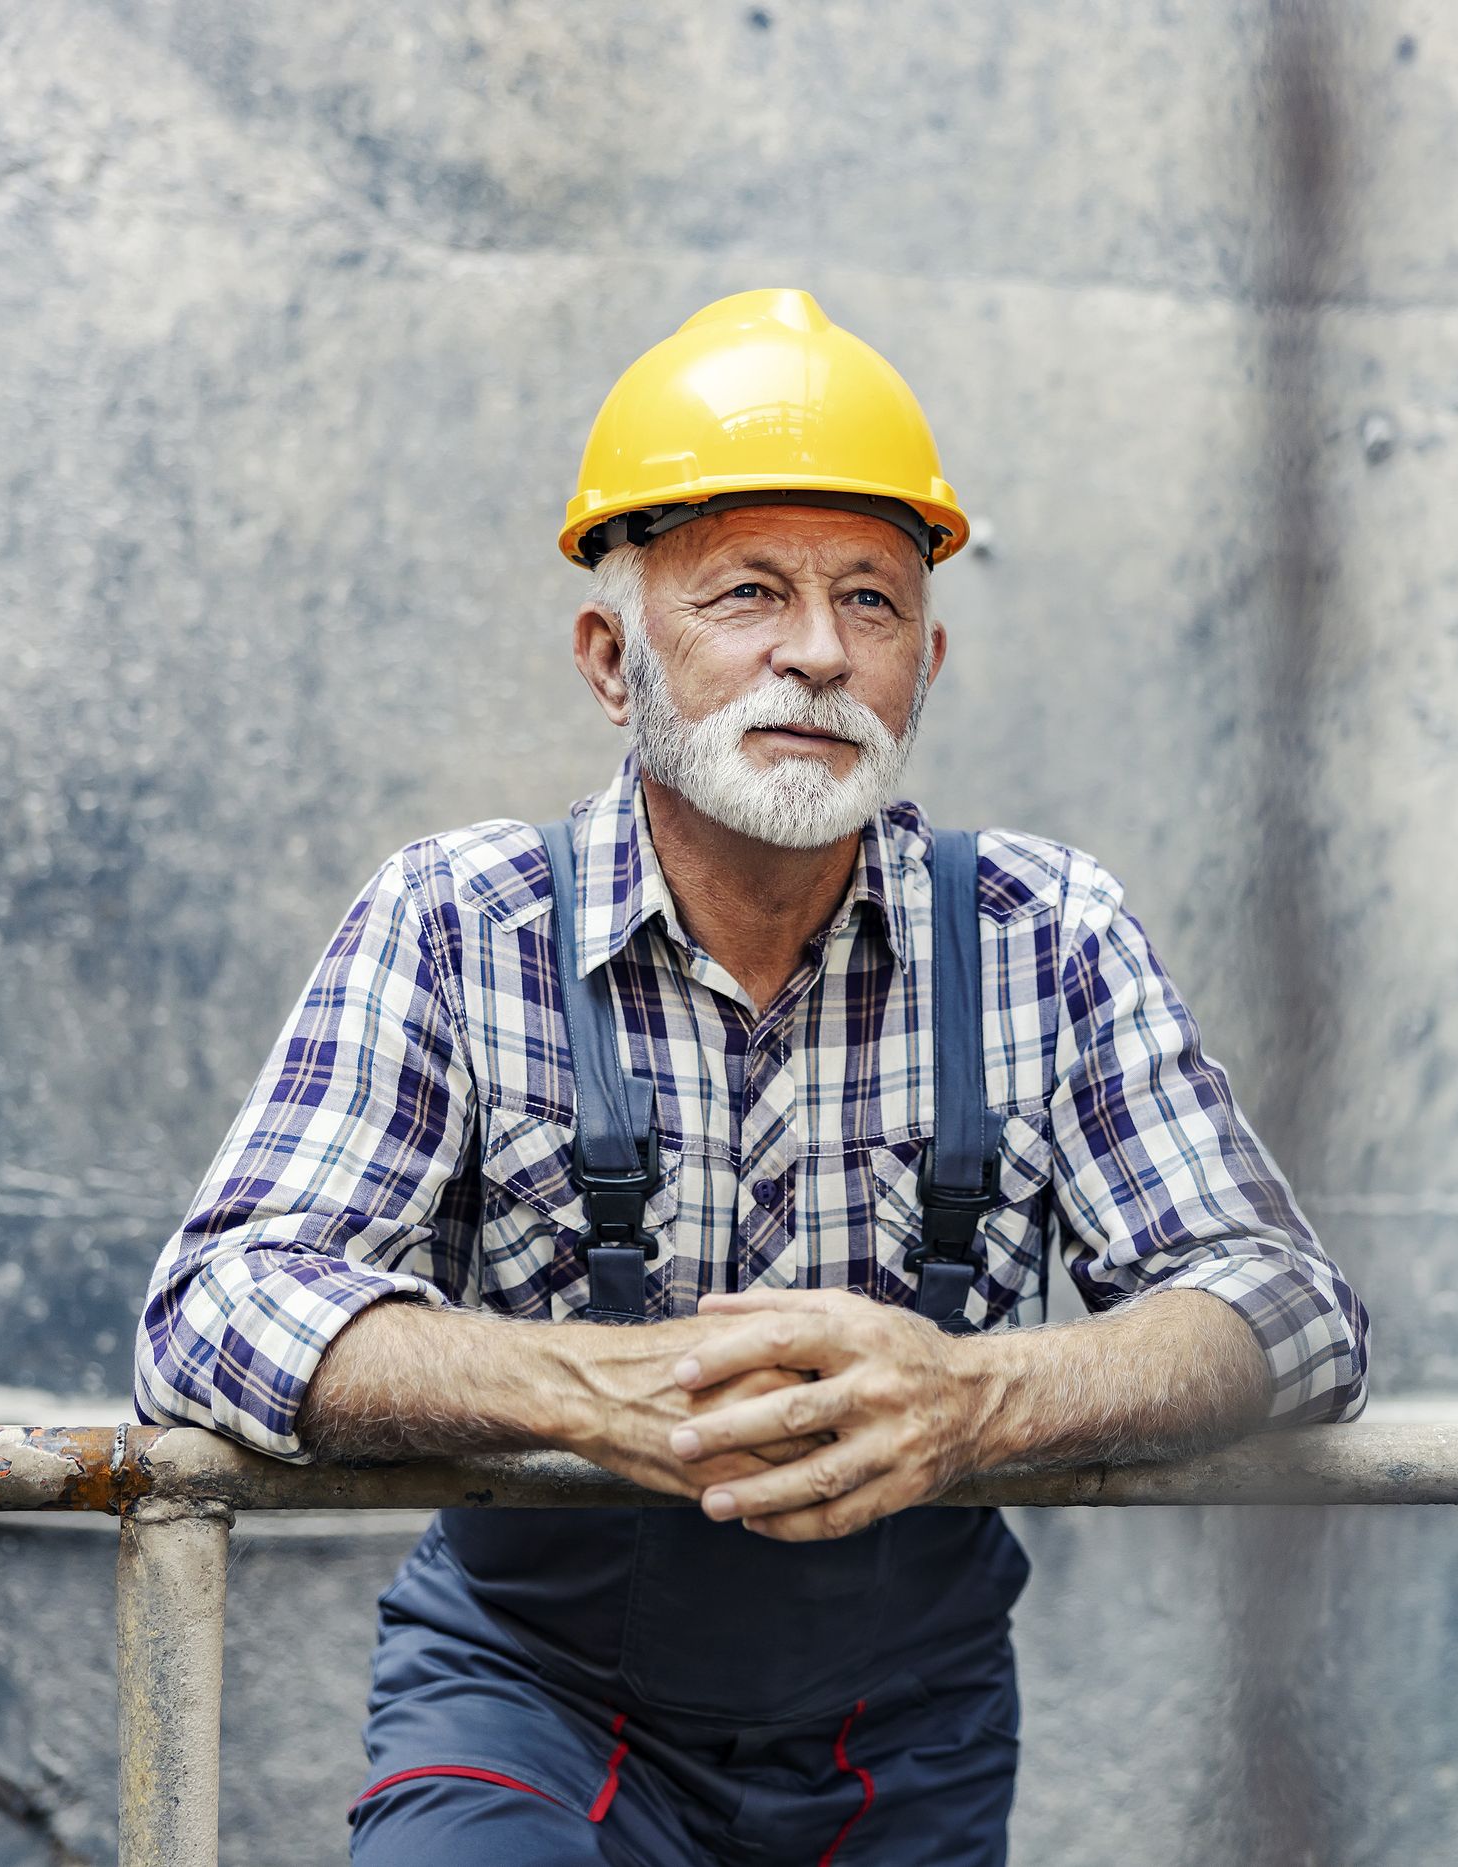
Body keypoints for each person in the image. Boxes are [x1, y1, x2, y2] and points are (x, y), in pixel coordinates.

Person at [134, 288, 1370, 1865]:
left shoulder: (1042, 932)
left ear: (930, 656)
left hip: (897, 1739)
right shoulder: (454, 922)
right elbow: (215, 1308)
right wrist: (571, 1385)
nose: (817, 653)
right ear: (610, 653)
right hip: (530, 1705)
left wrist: (980, 1395)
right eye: (747, 593)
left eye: (871, 600)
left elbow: (1289, 1307)